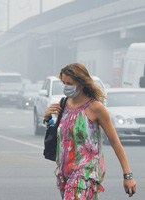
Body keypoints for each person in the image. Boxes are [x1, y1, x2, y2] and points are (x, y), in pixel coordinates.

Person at [43, 63, 137, 199]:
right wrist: (48, 118)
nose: (66, 87)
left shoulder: (95, 108)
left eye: (69, 83)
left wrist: (128, 175)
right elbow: (60, 134)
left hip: (86, 173)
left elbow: (115, 142)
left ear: (81, 83)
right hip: (65, 172)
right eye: (64, 83)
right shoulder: (63, 104)